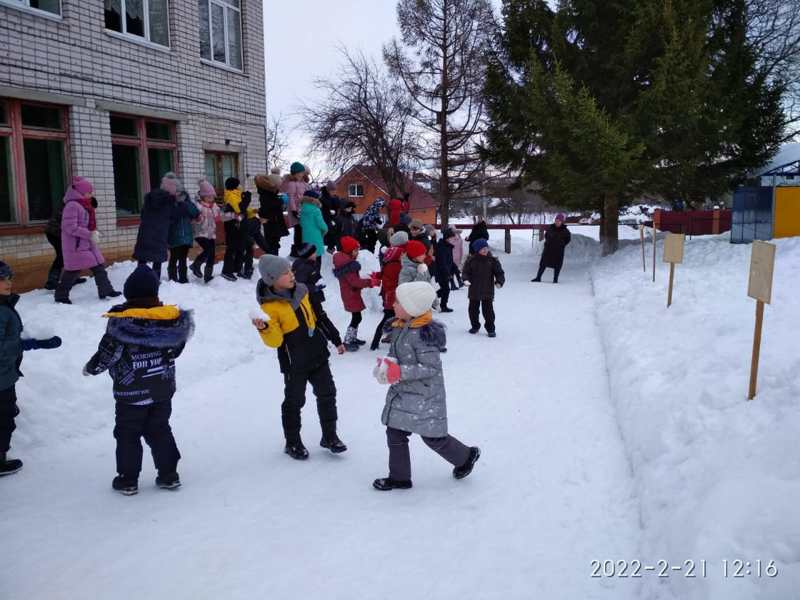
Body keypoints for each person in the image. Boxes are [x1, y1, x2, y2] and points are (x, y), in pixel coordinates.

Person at [83, 265, 193, 495]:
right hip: (162, 390)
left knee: (127, 434)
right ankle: (169, 475)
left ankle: (128, 479)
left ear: (128, 294)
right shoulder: (170, 321)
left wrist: (92, 368)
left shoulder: (122, 322)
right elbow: (175, 351)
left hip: (130, 394)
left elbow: (108, 354)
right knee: (160, 429)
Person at [372, 281, 480, 491]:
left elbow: (430, 368)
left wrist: (399, 371)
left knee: (433, 437)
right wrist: (386, 366)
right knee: (395, 432)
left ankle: (466, 457)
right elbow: (397, 355)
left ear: (411, 308)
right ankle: (400, 478)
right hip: (405, 393)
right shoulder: (400, 326)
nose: (392, 304)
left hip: (425, 396)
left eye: (397, 302)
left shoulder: (423, 335)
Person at [252, 255, 347, 460]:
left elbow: (319, 316)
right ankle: (292, 442)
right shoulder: (269, 307)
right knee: (295, 401)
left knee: (327, 393)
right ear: (272, 279)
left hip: (317, 353)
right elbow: (276, 342)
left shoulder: (303, 291)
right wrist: (265, 328)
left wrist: (335, 338)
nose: (291, 274)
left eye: (290, 270)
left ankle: (329, 436)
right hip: (294, 361)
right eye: (285, 273)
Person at [0, 261, 62, 476]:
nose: (8, 283)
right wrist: (29, 343)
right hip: (1, 379)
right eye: (2, 279)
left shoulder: (4, 305)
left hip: (6, 375)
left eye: (9, 278)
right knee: (4, 419)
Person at [54, 177, 121, 304]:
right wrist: (89, 234)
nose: (91, 194)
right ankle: (61, 296)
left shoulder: (84, 204)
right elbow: (69, 227)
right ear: (80, 192)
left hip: (86, 244)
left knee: (99, 267)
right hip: (76, 246)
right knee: (72, 271)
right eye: (88, 192)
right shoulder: (72, 206)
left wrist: (92, 234)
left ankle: (106, 290)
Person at [332, 236, 380, 352]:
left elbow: (354, 280)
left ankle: (352, 338)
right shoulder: (347, 266)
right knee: (357, 318)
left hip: (350, 293)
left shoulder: (346, 263)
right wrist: (370, 282)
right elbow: (355, 282)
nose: (357, 252)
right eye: (355, 250)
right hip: (351, 294)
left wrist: (370, 278)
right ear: (348, 251)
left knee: (357, 317)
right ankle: (348, 340)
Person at [133, 172, 182, 279]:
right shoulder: (170, 201)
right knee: (157, 259)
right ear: (173, 189)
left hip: (145, 231)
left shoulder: (150, 197)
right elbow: (173, 217)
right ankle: (155, 279)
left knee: (143, 256)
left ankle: (139, 277)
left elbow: (143, 214)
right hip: (160, 233)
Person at [370, 231, 407, 351]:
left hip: (390, 294)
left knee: (392, 318)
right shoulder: (398, 260)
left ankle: (387, 340)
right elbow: (395, 279)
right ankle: (376, 343)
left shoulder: (391, 256)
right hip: (394, 296)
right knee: (388, 318)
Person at [462, 239, 505, 338]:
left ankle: (490, 329)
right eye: (482, 249)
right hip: (474, 289)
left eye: (486, 248)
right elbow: (465, 272)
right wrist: (465, 280)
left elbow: (499, 273)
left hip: (487, 290)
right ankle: (475, 326)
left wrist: (499, 281)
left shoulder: (493, 260)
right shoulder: (471, 260)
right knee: (473, 310)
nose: (485, 250)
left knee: (488, 311)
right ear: (477, 250)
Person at [44, 199, 87, 290]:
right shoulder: (72, 205)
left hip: (61, 232)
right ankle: (51, 281)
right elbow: (70, 224)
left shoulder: (75, 203)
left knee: (71, 255)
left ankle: (73, 278)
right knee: (62, 256)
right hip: (55, 233)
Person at [190, 181, 221, 283]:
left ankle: (208, 276)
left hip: (211, 233)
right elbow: (192, 218)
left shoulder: (214, 206)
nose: (211, 199)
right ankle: (196, 265)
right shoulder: (198, 206)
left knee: (211, 254)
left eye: (212, 197)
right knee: (207, 249)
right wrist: (198, 218)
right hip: (200, 233)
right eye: (209, 197)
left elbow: (219, 216)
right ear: (203, 196)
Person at [221, 177, 251, 281]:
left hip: (240, 223)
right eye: (238, 184)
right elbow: (239, 209)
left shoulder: (237, 194)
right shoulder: (231, 195)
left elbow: (244, 210)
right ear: (234, 185)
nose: (240, 185)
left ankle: (237, 269)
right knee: (232, 247)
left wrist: (252, 211)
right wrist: (246, 200)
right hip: (232, 224)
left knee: (241, 247)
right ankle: (227, 271)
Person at [167, 189, 200, 283]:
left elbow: (195, 213)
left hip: (186, 236)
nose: (179, 197)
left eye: (181, 195)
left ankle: (183, 277)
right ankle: (172, 277)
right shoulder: (171, 205)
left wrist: (186, 204)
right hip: (174, 235)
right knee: (173, 257)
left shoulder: (188, 204)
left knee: (183, 257)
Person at [256, 170, 289, 256]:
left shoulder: (271, 194)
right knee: (271, 244)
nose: (279, 188)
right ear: (273, 185)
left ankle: (274, 259)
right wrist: (280, 201)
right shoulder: (265, 195)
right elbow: (268, 206)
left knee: (275, 243)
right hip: (271, 223)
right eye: (278, 186)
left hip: (275, 222)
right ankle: (272, 261)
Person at [532, 213, 571, 283]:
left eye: (559, 221)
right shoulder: (550, 228)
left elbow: (568, 239)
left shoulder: (565, 231)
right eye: (556, 220)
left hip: (558, 251)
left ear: (562, 222)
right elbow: (546, 235)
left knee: (557, 265)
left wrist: (562, 245)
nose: (557, 222)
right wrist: (547, 243)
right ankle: (538, 278)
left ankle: (555, 279)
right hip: (548, 249)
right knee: (543, 264)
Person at [281, 162, 309, 257]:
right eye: (300, 172)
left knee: (303, 230)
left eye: (302, 173)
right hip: (296, 210)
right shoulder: (292, 184)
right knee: (298, 230)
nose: (302, 174)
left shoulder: (303, 183)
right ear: (295, 173)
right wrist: (294, 211)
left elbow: (306, 195)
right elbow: (291, 198)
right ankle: (298, 250)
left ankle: (301, 249)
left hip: (303, 209)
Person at [299, 190, 328, 268]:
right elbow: (321, 224)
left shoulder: (302, 209)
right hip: (316, 237)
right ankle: (316, 274)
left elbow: (301, 223)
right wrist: (325, 229)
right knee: (317, 256)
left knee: (308, 256)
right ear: (314, 199)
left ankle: (308, 273)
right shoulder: (316, 210)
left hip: (306, 236)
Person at [434, 228, 456, 312]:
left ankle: (434, 299)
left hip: (445, 271)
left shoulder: (447, 246)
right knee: (446, 289)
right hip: (441, 271)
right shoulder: (442, 247)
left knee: (444, 289)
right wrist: (447, 273)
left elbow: (449, 260)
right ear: (447, 238)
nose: (453, 240)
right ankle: (442, 305)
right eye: (451, 238)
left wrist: (454, 268)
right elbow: (442, 262)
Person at [320, 181, 341, 253]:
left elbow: (338, 207)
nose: (334, 192)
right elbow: (323, 209)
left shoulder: (336, 197)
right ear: (328, 190)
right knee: (328, 234)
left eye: (335, 190)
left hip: (334, 219)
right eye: (332, 190)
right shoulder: (323, 198)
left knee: (335, 234)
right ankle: (326, 249)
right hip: (325, 219)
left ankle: (331, 248)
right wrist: (330, 213)